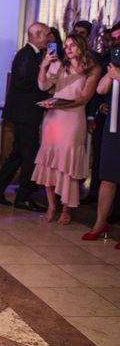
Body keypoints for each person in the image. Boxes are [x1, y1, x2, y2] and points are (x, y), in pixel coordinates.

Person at [32, 33, 99, 224]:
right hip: (53, 119)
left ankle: (66, 209)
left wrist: (59, 104)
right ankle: (52, 205)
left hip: (73, 118)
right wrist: (44, 66)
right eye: (67, 45)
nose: (68, 49)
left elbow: (85, 97)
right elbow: (43, 86)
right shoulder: (59, 65)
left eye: (73, 45)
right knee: (50, 161)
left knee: (67, 164)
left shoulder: (92, 69)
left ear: (82, 47)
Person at [0, 22, 50, 210]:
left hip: (25, 112)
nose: (49, 38)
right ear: (37, 35)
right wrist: (45, 83)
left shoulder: (34, 55)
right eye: (46, 34)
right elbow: (22, 82)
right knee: (30, 154)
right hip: (25, 112)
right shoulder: (27, 55)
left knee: (18, 154)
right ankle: (23, 197)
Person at [82, 22, 120, 244]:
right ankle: (99, 223)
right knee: (108, 176)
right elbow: (101, 89)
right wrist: (113, 72)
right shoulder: (112, 59)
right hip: (113, 124)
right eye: (114, 38)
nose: (116, 41)